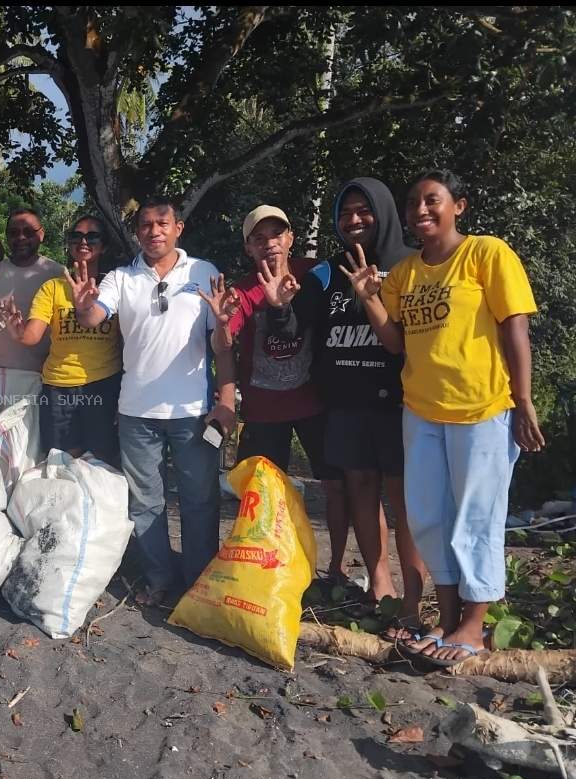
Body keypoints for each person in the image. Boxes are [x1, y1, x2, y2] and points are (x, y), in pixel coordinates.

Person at [345, 168, 544, 666]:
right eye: (413, 202)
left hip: (482, 410)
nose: (421, 210)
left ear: (459, 205)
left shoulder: (486, 254)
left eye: (432, 200)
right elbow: (395, 343)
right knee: (429, 518)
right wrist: (369, 299)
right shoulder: (406, 274)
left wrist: (523, 400)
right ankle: (448, 617)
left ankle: (474, 625)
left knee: (476, 518)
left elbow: (515, 327)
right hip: (421, 413)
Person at [265, 179, 428, 639]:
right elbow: (295, 326)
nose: (353, 220)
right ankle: (380, 584)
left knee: (405, 501)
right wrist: (279, 308)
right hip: (345, 404)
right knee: (361, 491)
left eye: (363, 210)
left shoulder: (411, 265)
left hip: (399, 403)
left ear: (384, 212)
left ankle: (413, 602)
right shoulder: (325, 273)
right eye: (345, 212)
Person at [74, 198, 224, 606]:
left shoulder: (203, 272)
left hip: (192, 412)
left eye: (162, 223)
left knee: (199, 500)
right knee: (145, 503)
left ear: (178, 228)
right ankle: (159, 578)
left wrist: (226, 397)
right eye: (145, 225)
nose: (153, 231)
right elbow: (94, 315)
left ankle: (198, 583)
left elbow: (222, 343)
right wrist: (83, 305)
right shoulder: (121, 278)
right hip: (136, 412)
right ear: (136, 231)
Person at [206, 205, 351, 586]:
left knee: (337, 487)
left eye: (276, 234)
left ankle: (337, 570)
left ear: (290, 238)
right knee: (262, 499)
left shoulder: (315, 275)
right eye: (259, 238)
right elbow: (223, 347)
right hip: (264, 410)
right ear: (248, 248)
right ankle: (265, 577)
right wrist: (222, 325)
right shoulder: (242, 291)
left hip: (315, 403)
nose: (269, 243)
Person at [4, 214, 122, 464]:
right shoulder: (53, 287)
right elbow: (32, 335)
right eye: (76, 236)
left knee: (102, 463)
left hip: (103, 384)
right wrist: (18, 332)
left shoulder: (114, 286)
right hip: (58, 388)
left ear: (104, 245)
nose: (83, 242)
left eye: (92, 236)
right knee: (61, 463)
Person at [0, 207, 64, 372]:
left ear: (41, 234)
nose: (21, 237)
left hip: (44, 375)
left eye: (28, 232)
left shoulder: (57, 273)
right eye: (14, 233)